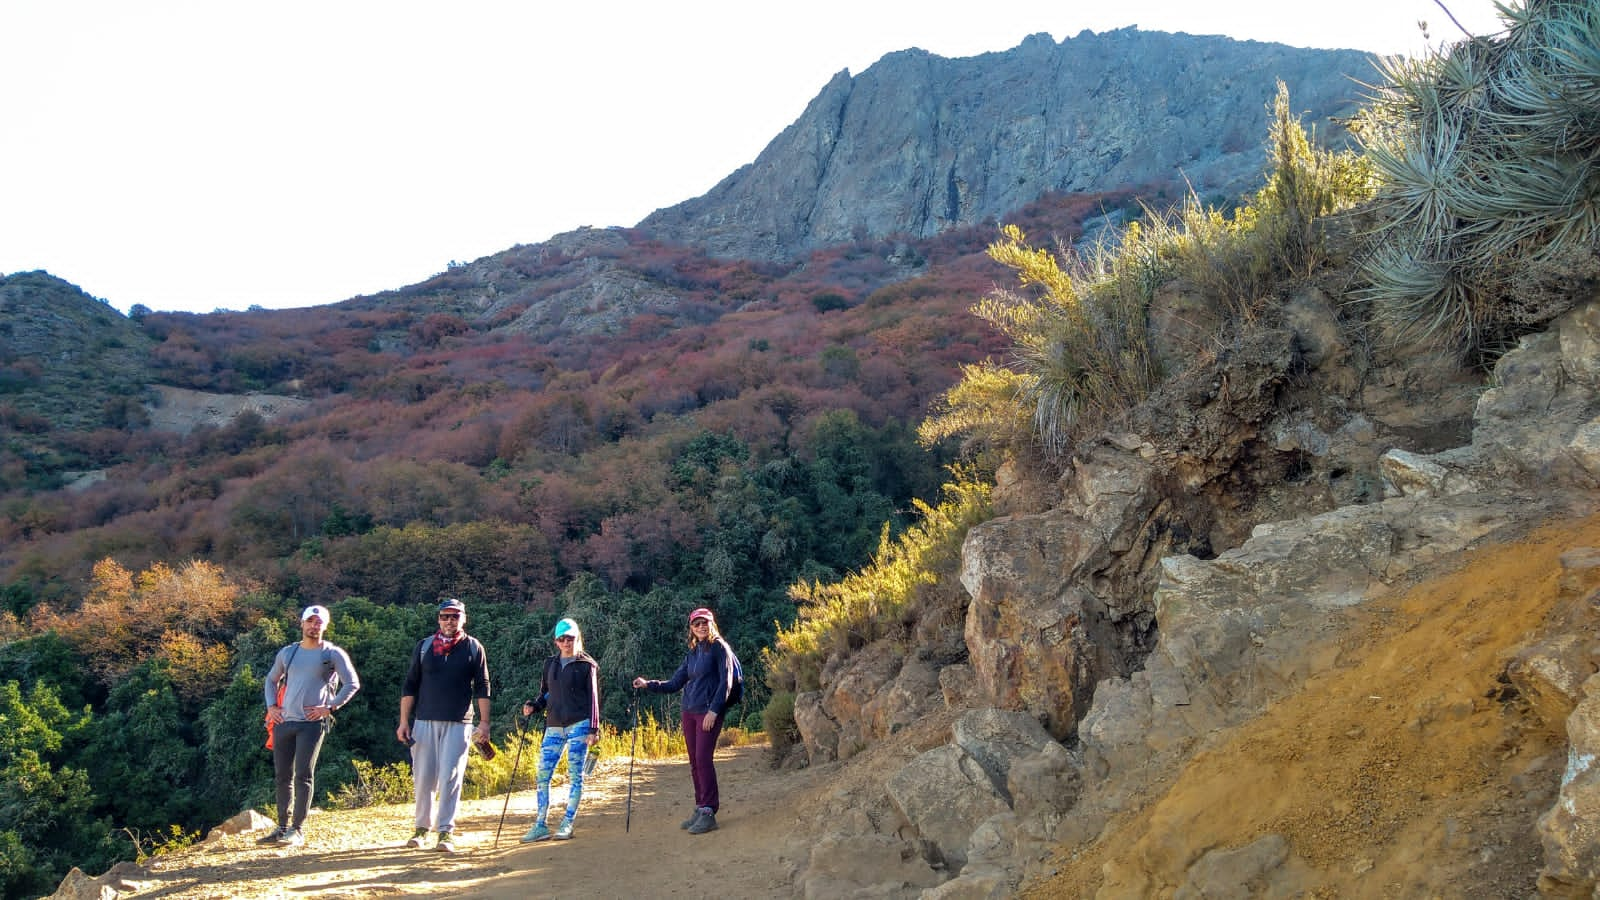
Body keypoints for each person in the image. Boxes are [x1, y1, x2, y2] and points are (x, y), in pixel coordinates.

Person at [259, 605, 361, 848]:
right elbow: (271, 679)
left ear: (325, 626)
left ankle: (297, 829)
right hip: (284, 721)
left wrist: (330, 707)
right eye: (311, 621)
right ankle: (282, 827)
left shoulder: (332, 654)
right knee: (282, 776)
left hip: (312, 724)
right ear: (302, 623)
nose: (314, 626)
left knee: (303, 774)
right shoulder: (288, 652)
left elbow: (352, 683)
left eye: (319, 622)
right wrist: (272, 706)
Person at [396, 598, 493, 854]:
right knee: (423, 777)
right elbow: (410, 686)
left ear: (464, 618)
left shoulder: (473, 648)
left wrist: (484, 723)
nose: (450, 621)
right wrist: (404, 721)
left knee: (451, 777)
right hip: (424, 721)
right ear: (439, 619)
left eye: (454, 616)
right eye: (445, 616)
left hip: (459, 723)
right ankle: (421, 829)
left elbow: (483, 687)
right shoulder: (425, 647)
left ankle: (445, 832)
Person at [632, 607, 738, 835]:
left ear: (712, 624)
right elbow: (675, 682)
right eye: (696, 623)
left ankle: (709, 811)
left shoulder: (719, 648)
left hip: (707, 713)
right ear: (691, 628)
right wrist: (648, 684)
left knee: (703, 759)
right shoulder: (693, 652)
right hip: (689, 711)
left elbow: (726, 683)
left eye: (704, 622)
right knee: (694, 762)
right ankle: (701, 807)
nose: (701, 626)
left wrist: (714, 711)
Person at [519, 617, 601, 843]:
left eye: (570, 638)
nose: (566, 642)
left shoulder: (587, 665)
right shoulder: (550, 664)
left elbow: (594, 699)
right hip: (554, 725)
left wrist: (594, 729)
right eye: (562, 638)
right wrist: (534, 705)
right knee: (542, 775)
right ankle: (540, 824)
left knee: (576, 776)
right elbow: (546, 694)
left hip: (580, 724)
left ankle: (567, 823)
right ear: (556, 641)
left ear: (577, 639)